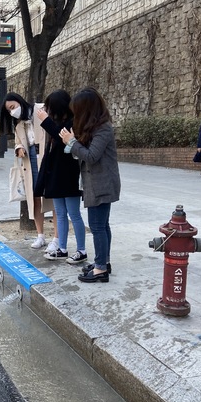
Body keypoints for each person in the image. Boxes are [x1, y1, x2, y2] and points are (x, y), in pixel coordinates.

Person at [60, 87, 121, 283]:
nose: (75, 115)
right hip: (98, 183)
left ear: (87, 110)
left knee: (97, 227)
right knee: (102, 225)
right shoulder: (96, 128)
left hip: (102, 184)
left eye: (77, 111)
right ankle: (103, 262)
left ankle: (101, 268)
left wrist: (71, 142)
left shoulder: (103, 129)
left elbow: (92, 156)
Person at [34, 90, 88, 264]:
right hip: (55, 176)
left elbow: (62, 137)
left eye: (50, 108)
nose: (48, 111)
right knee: (60, 213)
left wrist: (46, 121)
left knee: (74, 214)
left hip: (69, 176)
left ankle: (81, 250)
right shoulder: (58, 123)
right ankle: (62, 248)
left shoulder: (73, 123)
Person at [0, 92, 57, 251]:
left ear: (19, 101)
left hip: (47, 155)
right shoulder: (18, 124)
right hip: (30, 158)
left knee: (53, 197)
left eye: (13, 107)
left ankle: (57, 238)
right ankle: (40, 236)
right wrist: (18, 148)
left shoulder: (41, 109)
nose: (12, 111)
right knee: (35, 197)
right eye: (9, 111)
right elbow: (19, 142)